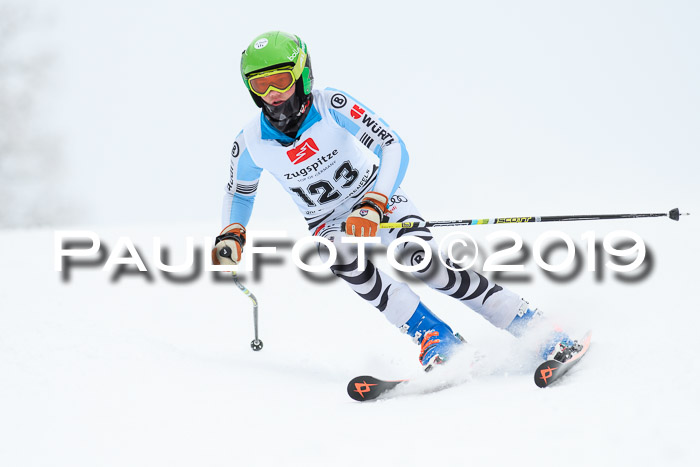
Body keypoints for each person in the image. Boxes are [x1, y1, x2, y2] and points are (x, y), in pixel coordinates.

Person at [212, 31, 576, 367]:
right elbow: (239, 193)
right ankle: (437, 339)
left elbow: (392, 145)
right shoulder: (249, 143)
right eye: (261, 83)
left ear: (302, 74)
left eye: (280, 79)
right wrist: (232, 232)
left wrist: (374, 202)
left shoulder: (330, 105)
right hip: (329, 222)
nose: (272, 92)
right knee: (339, 257)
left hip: (379, 201)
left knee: (422, 262)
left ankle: (530, 324)